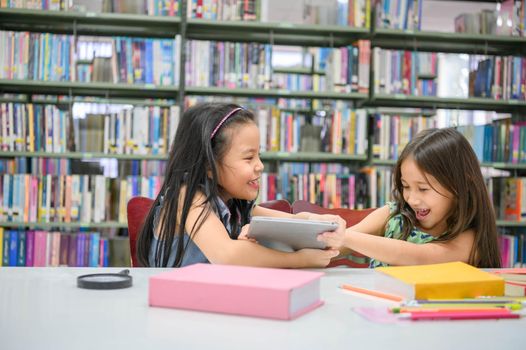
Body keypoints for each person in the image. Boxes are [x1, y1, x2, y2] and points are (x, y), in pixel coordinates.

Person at [136, 102, 341, 268]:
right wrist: (300, 260)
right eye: (249, 157)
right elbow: (227, 254)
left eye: (259, 155)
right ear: (209, 164)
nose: (260, 166)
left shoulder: (232, 204)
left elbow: (293, 222)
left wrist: (317, 219)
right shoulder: (186, 197)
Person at [318, 127, 501, 268]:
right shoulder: (393, 215)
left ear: (460, 186)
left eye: (423, 189)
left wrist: (345, 237)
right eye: (406, 186)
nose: (412, 199)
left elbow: (418, 256)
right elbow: (334, 246)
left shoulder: (471, 238)